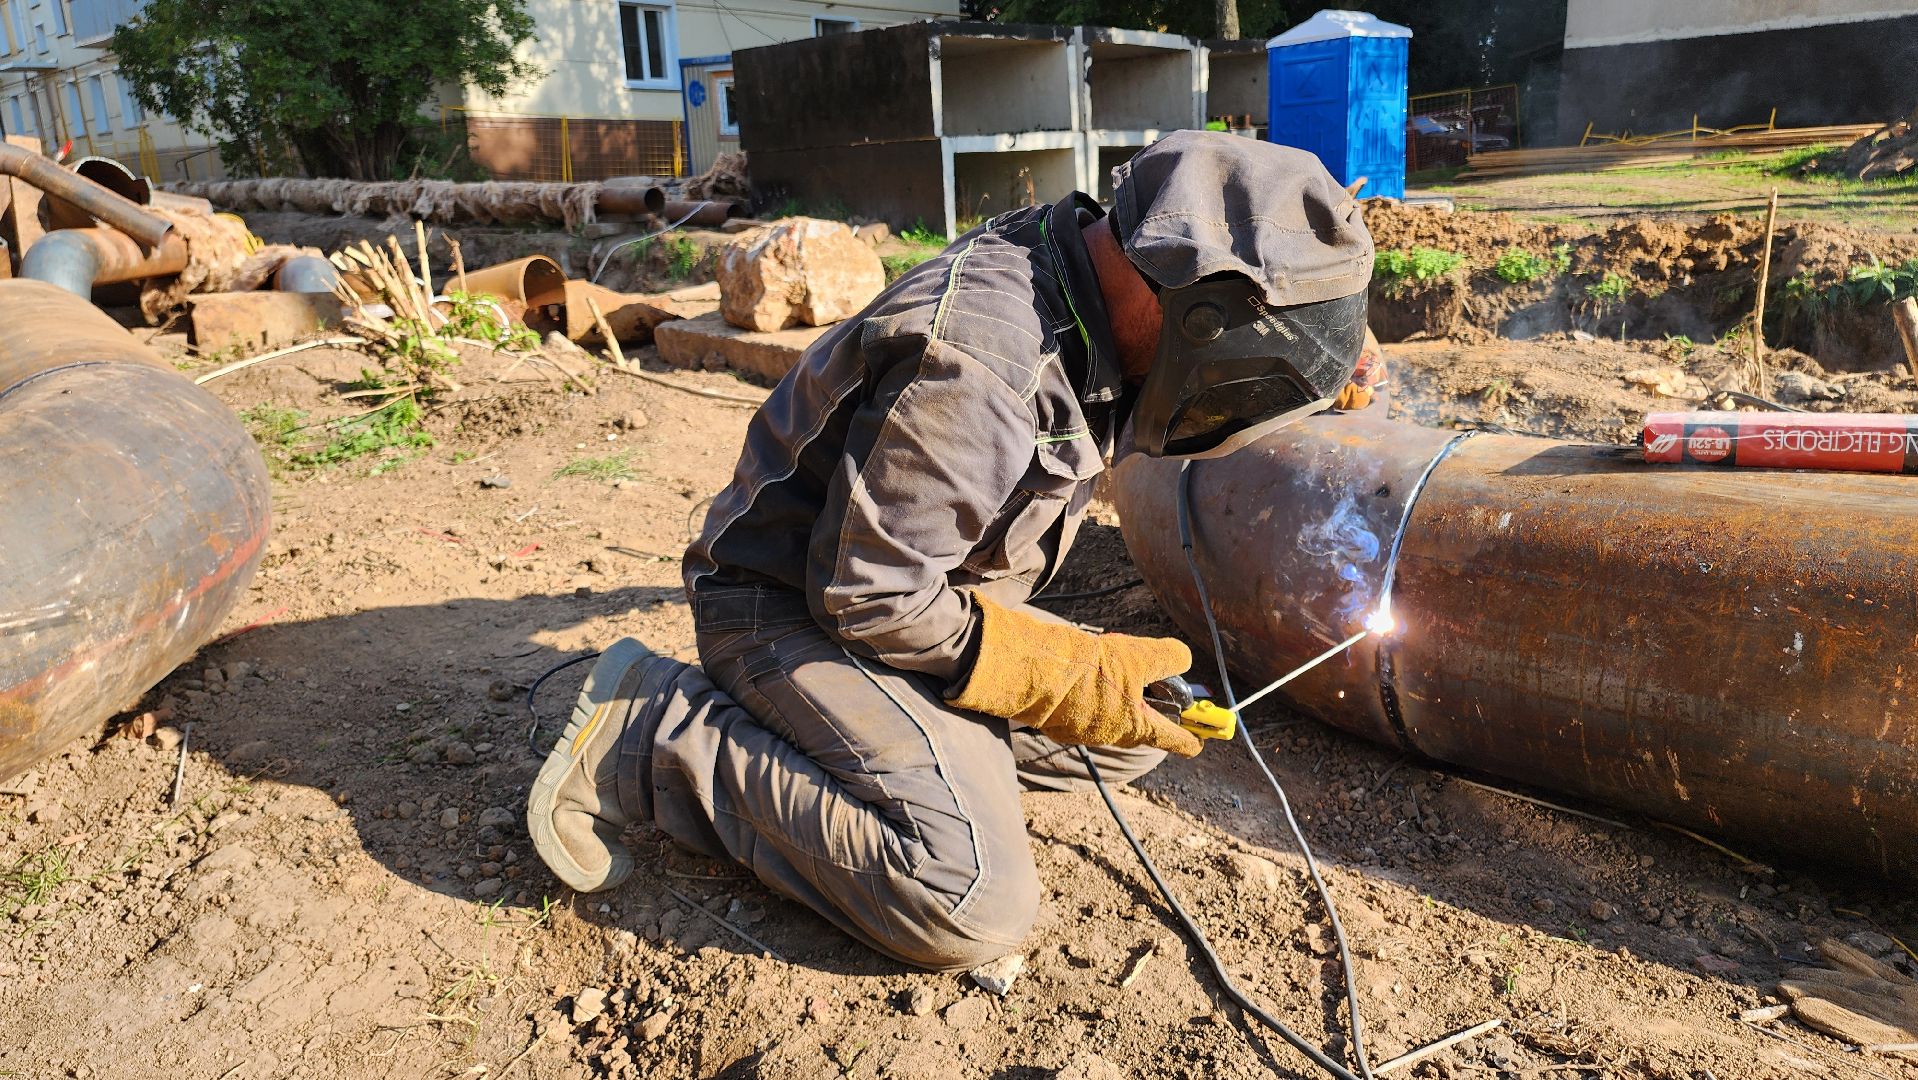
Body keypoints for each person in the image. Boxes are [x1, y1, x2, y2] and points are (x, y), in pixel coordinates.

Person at [526, 131, 1377, 971]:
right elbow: (868, 596)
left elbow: (1160, 377)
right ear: (1201, 315)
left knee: (1141, 724)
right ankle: (649, 732)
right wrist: (1055, 671)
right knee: (968, 898)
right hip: (791, 610)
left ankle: (916, 764)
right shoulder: (981, 367)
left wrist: (1309, 363)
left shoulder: (1082, 267)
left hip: (918, 597)